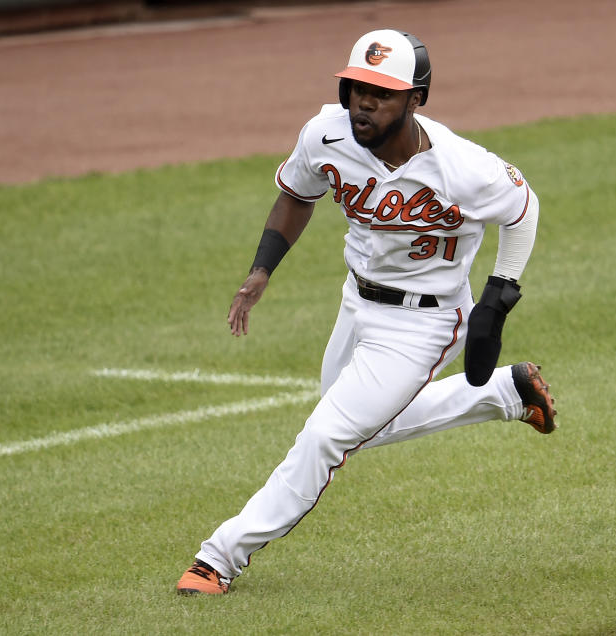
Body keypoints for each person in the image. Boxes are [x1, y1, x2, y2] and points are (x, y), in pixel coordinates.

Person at [177, 29, 556, 595]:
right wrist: (262, 270)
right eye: (356, 86)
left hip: (425, 323)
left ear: (415, 100)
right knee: (357, 429)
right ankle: (504, 393)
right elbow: (297, 194)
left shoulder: (463, 168)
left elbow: (523, 207)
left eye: (382, 92)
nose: (364, 101)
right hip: (357, 303)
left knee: (325, 436)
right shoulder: (325, 135)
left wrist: (498, 298)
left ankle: (220, 557)